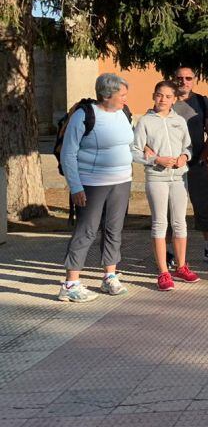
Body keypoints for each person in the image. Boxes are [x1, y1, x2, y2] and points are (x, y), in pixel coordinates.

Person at [58, 73, 134, 302]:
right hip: (92, 183)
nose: (125, 99)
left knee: (114, 229)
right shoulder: (84, 115)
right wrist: (75, 187)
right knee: (87, 230)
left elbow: (130, 145)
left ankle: (109, 276)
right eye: (121, 95)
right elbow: (68, 153)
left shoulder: (123, 113)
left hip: (121, 181)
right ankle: (70, 283)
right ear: (106, 94)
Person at [131, 80, 197, 292]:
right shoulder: (145, 121)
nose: (163, 100)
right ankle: (163, 272)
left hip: (178, 178)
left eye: (168, 97)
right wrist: (155, 160)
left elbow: (188, 146)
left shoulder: (179, 120)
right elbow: (134, 151)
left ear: (174, 99)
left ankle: (181, 266)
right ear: (153, 96)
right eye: (159, 95)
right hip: (156, 178)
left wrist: (185, 157)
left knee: (180, 223)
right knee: (160, 223)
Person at [172, 66, 208, 266]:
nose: (183, 81)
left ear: (194, 80)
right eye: (179, 78)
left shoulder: (202, 101)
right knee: (171, 209)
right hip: (172, 167)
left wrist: (203, 156)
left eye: (188, 78)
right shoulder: (167, 101)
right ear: (173, 79)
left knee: (203, 205)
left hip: (196, 164)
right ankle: (169, 252)